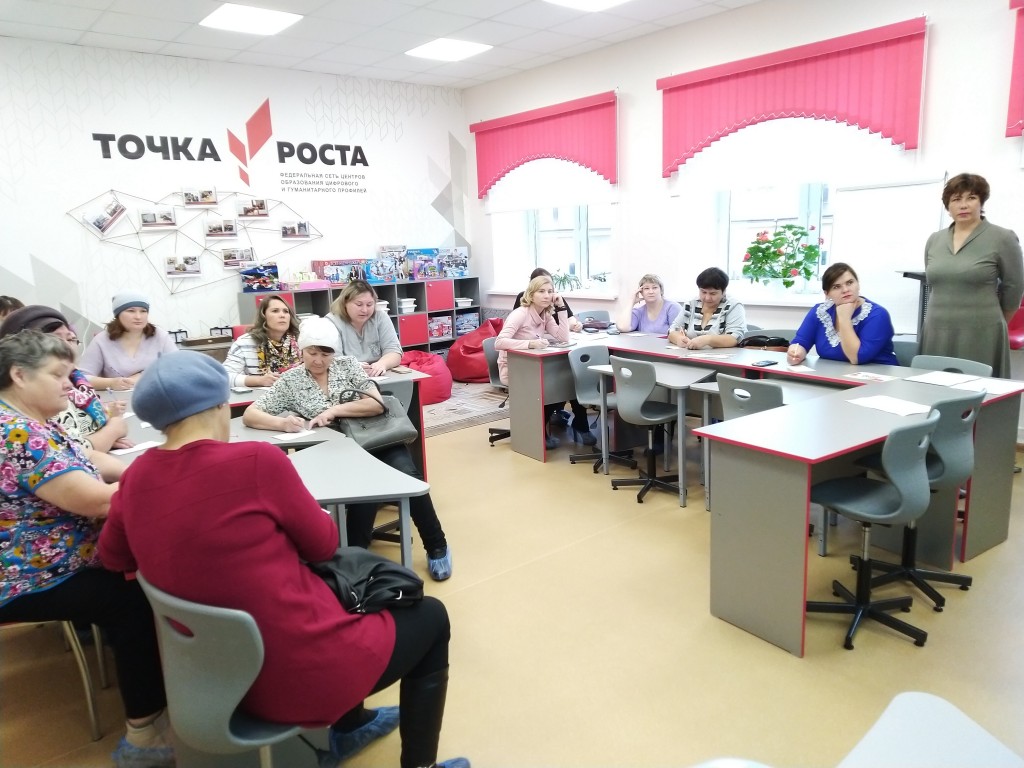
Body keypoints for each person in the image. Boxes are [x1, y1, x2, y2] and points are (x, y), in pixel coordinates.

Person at [98, 351, 468, 768]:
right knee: (430, 616)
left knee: (333, 588)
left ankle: (349, 727)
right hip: (296, 678)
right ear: (220, 406)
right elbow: (324, 545)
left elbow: (113, 557)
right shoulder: (256, 461)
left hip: (211, 677)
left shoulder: (136, 477)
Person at [0, 330, 173, 768]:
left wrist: (143, 473)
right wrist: (170, 481)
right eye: (58, 374)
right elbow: (96, 502)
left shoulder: (32, 421)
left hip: (48, 559)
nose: (70, 384)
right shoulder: (16, 433)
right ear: (19, 375)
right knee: (133, 599)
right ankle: (145, 733)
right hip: (30, 575)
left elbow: (89, 457)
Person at [242, 317, 455, 581]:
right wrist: (282, 423)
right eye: (312, 353)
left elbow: (375, 403)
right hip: (335, 451)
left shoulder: (348, 365)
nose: (318, 360)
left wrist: (334, 410)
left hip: (376, 438)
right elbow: (251, 414)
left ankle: (437, 545)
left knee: (410, 478)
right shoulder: (291, 380)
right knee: (363, 488)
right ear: (302, 350)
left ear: (334, 352)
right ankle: (357, 561)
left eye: (325, 354)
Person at [920, 173, 1024, 379]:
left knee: (978, 388)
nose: (963, 205)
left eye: (971, 198)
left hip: (982, 330)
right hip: (936, 329)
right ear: (948, 206)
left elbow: (1014, 287)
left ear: (981, 202)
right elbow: (933, 282)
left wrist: (996, 324)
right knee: (932, 386)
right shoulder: (934, 240)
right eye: (956, 199)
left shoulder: (1002, 237)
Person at [0, 305, 131, 453]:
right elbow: (66, 452)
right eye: (55, 340)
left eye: (71, 339)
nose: (67, 347)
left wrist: (105, 431)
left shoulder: (76, 381)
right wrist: (111, 432)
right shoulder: (30, 409)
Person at [496, 275, 596, 449]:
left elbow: (563, 337)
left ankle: (573, 425)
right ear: (531, 294)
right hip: (514, 369)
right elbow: (499, 342)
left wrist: (561, 308)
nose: (546, 295)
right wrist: (530, 344)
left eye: (550, 292)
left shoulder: (545, 314)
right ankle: (538, 431)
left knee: (571, 381)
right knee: (555, 388)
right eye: (541, 291)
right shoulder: (520, 314)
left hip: (533, 366)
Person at [786, 263, 898, 366]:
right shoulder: (820, 311)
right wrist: (796, 353)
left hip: (879, 376)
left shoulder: (877, 315)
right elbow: (801, 341)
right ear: (827, 294)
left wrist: (844, 318)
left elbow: (857, 358)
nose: (845, 290)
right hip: (835, 375)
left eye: (850, 283)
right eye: (836, 286)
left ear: (858, 284)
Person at [79, 292, 177, 391]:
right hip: (117, 399)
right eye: (131, 311)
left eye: (143, 311)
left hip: (157, 396)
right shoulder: (101, 340)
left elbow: (179, 368)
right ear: (118, 315)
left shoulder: (160, 336)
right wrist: (111, 383)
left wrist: (143, 376)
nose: (138, 316)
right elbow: (81, 378)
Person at [328, 280, 404, 377]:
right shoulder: (332, 322)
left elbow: (394, 351)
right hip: (346, 376)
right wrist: (352, 367)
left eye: (369, 305)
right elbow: (332, 360)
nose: (364, 310)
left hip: (377, 375)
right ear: (345, 303)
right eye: (359, 305)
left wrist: (382, 364)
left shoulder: (380, 317)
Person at [223, 294, 301, 387]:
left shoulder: (300, 341)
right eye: (275, 311)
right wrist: (259, 381)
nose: (282, 315)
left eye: (286, 311)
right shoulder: (244, 344)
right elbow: (224, 377)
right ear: (263, 316)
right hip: (260, 395)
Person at [667, 267, 747, 349]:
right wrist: (679, 339)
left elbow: (735, 338)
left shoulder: (733, 306)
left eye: (713, 293)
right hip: (689, 354)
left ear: (724, 292)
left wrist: (708, 340)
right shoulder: (691, 304)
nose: (707, 298)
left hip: (722, 355)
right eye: (703, 292)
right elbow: (673, 330)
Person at [511, 268, 583, 333]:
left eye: (550, 283)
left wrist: (575, 325)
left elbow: (569, 318)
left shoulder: (556, 297)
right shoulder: (523, 298)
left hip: (554, 336)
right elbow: (516, 324)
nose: (547, 295)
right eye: (541, 289)